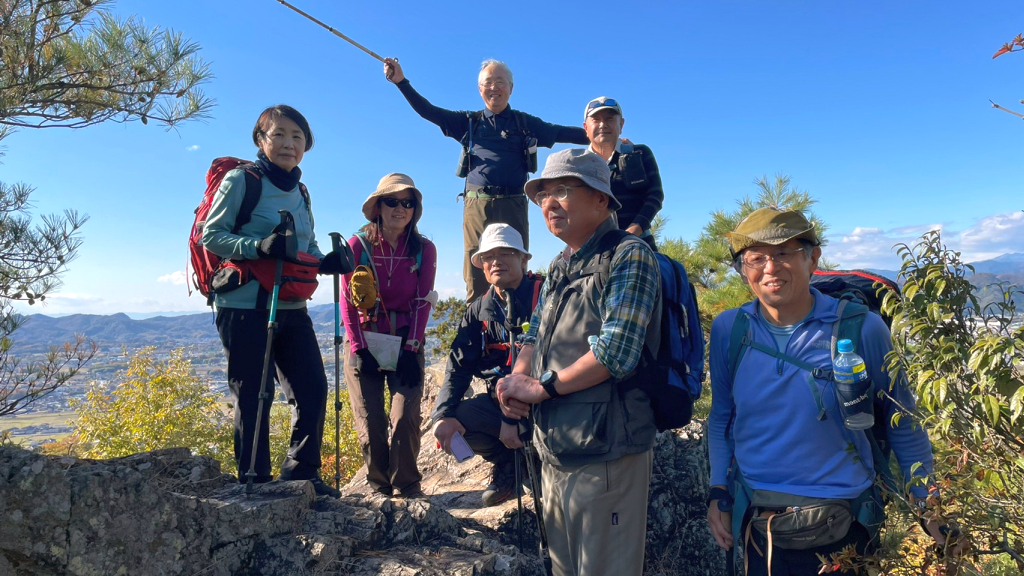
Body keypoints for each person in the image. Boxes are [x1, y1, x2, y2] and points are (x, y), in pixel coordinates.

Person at [705, 207, 947, 575]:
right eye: (755, 259)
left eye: (783, 254)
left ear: (812, 257)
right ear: (743, 269)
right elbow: (722, 416)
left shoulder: (861, 329)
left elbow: (903, 422)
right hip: (760, 521)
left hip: (844, 522)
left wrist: (929, 504)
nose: (769, 268)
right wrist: (718, 490)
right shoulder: (729, 330)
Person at [496, 149, 660, 576]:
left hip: (607, 453)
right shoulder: (560, 265)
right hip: (556, 449)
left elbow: (616, 350)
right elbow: (534, 335)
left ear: (602, 200)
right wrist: (517, 382)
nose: (550, 203)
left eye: (563, 190)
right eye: (543, 194)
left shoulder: (629, 254)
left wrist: (542, 387)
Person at [203, 104, 352, 498]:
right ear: (261, 140)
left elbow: (306, 245)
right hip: (245, 304)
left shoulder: (302, 191)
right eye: (279, 134)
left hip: (290, 304)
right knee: (254, 393)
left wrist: (326, 262)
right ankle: (253, 478)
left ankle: (301, 473)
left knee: (313, 388)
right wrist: (257, 245)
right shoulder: (242, 181)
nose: (289, 143)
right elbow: (212, 235)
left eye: (297, 137)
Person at [383, 57, 589, 302]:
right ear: (480, 90)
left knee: (515, 265)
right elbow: (430, 111)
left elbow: (561, 132)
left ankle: (520, 330)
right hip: (476, 205)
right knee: (476, 267)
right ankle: (476, 332)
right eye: (488, 82)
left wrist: (601, 137)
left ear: (511, 88)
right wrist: (401, 82)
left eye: (500, 81)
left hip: (513, 203)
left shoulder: (524, 123)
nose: (494, 87)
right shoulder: (468, 122)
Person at [431, 223, 542, 507]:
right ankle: (510, 465)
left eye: (505, 252)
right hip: (501, 401)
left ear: (523, 258)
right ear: (481, 266)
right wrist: (442, 416)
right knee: (460, 419)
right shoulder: (478, 311)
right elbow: (458, 366)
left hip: (547, 398)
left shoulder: (546, 295)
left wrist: (510, 419)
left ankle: (541, 466)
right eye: (488, 257)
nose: (496, 261)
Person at [341, 173, 437, 499]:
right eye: (392, 201)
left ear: (415, 209)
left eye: (407, 202)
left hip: (406, 342)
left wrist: (412, 347)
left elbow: (423, 300)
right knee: (371, 423)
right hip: (364, 340)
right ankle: (379, 490)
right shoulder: (358, 245)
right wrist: (358, 348)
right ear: (378, 207)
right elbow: (346, 299)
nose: (400, 208)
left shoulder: (424, 250)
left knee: (406, 416)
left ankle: (408, 487)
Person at [583, 96, 664, 250]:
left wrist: (633, 232)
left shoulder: (640, 153)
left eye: (609, 119)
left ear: (621, 124)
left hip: (640, 244)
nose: (603, 124)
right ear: (586, 128)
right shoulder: (579, 165)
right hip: (595, 250)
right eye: (596, 120)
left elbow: (655, 196)